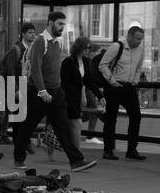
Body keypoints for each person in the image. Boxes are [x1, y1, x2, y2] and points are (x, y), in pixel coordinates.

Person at [13, 12, 97, 172]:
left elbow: (54, 69)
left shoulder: (56, 43)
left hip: (56, 92)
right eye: (59, 24)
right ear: (50, 23)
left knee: (63, 127)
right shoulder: (40, 41)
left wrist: (58, 90)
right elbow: (36, 69)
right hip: (40, 93)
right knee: (28, 126)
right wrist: (42, 91)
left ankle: (76, 161)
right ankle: (19, 158)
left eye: (63, 25)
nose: (62, 27)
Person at [99, 26, 146, 161]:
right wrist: (112, 81)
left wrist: (135, 80)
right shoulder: (117, 46)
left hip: (129, 87)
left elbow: (138, 67)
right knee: (111, 118)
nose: (139, 42)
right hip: (114, 87)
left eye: (141, 39)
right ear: (129, 36)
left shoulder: (140, 50)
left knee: (136, 116)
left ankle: (132, 150)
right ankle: (108, 150)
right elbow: (103, 65)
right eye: (137, 38)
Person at [60, 37, 105, 151]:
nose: (88, 50)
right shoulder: (68, 61)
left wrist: (100, 96)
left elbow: (89, 81)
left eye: (89, 48)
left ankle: (73, 151)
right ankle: (77, 153)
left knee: (72, 125)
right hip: (68, 98)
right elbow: (64, 82)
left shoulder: (86, 61)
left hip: (78, 98)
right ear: (79, 47)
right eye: (86, 47)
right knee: (77, 123)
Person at [0, 22, 36, 151]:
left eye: (34, 32)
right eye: (30, 32)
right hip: (16, 86)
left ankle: (23, 141)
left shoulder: (33, 49)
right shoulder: (16, 49)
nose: (33, 35)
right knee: (18, 116)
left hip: (28, 86)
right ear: (24, 34)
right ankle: (20, 143)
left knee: (27, 115)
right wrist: (14, 89)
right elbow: (10, 70)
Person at [83, 44, 104, 144]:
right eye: (98, 52)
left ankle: (88, 134)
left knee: (88, 113)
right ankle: (90, 136)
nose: (99, 54)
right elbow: (89, 80)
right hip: (87, 90)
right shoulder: (89, 62)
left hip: (88, 90)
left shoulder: (88, 61)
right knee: (94, 111)